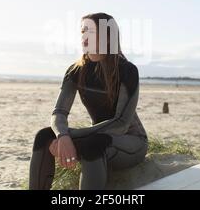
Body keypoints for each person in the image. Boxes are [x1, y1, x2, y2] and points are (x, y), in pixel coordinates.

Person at [29, 12, 148, 190]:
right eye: (82, 31)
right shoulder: (76, 70)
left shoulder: (127, 71)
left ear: (108, 37)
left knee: (92, 144)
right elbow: (59, 113)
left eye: (90, 32)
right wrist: (62, 136)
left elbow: (121, 124)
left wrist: (70, 139)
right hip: (96, 136)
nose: (84, 37)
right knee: (44, 136)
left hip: (130, 142)